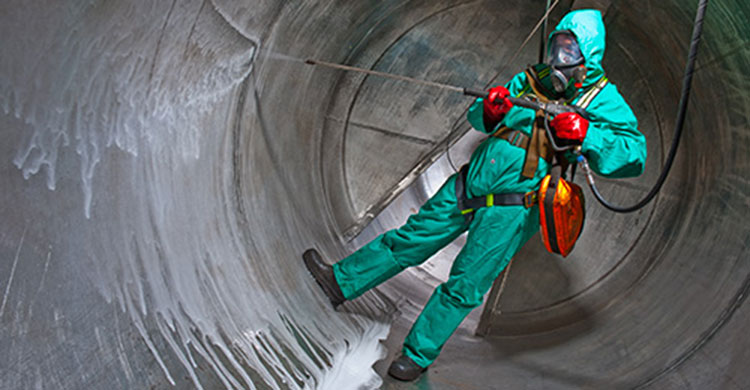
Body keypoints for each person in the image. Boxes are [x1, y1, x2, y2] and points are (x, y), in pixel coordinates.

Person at [303, 9, 646, 382]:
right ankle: (340, 281)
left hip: (516, 206)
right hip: (473, 182)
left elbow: (634, 156)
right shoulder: (531, 79)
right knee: (411, 238)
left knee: (466, 282)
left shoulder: (605, 101)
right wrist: (488, 109)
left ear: (588, 56)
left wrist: (587, 134)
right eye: (556, 47)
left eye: (568, 51)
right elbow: (479, 119)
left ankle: (417, 354)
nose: (557, 59)